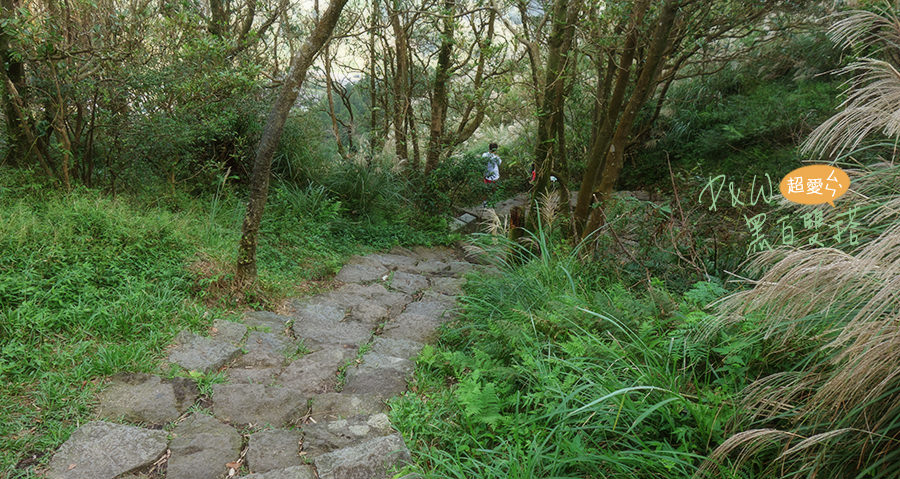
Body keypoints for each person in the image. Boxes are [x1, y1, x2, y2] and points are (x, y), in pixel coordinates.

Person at [482, 143, 501, 207]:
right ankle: (492, 202)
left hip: (486, 175)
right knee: (493, 189)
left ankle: (485, 203)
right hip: (495, 176)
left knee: (486, 190)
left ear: (489, 148)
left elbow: (483, 163)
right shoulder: (496, 157)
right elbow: (499, 163)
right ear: (496, 149)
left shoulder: (484, 155)